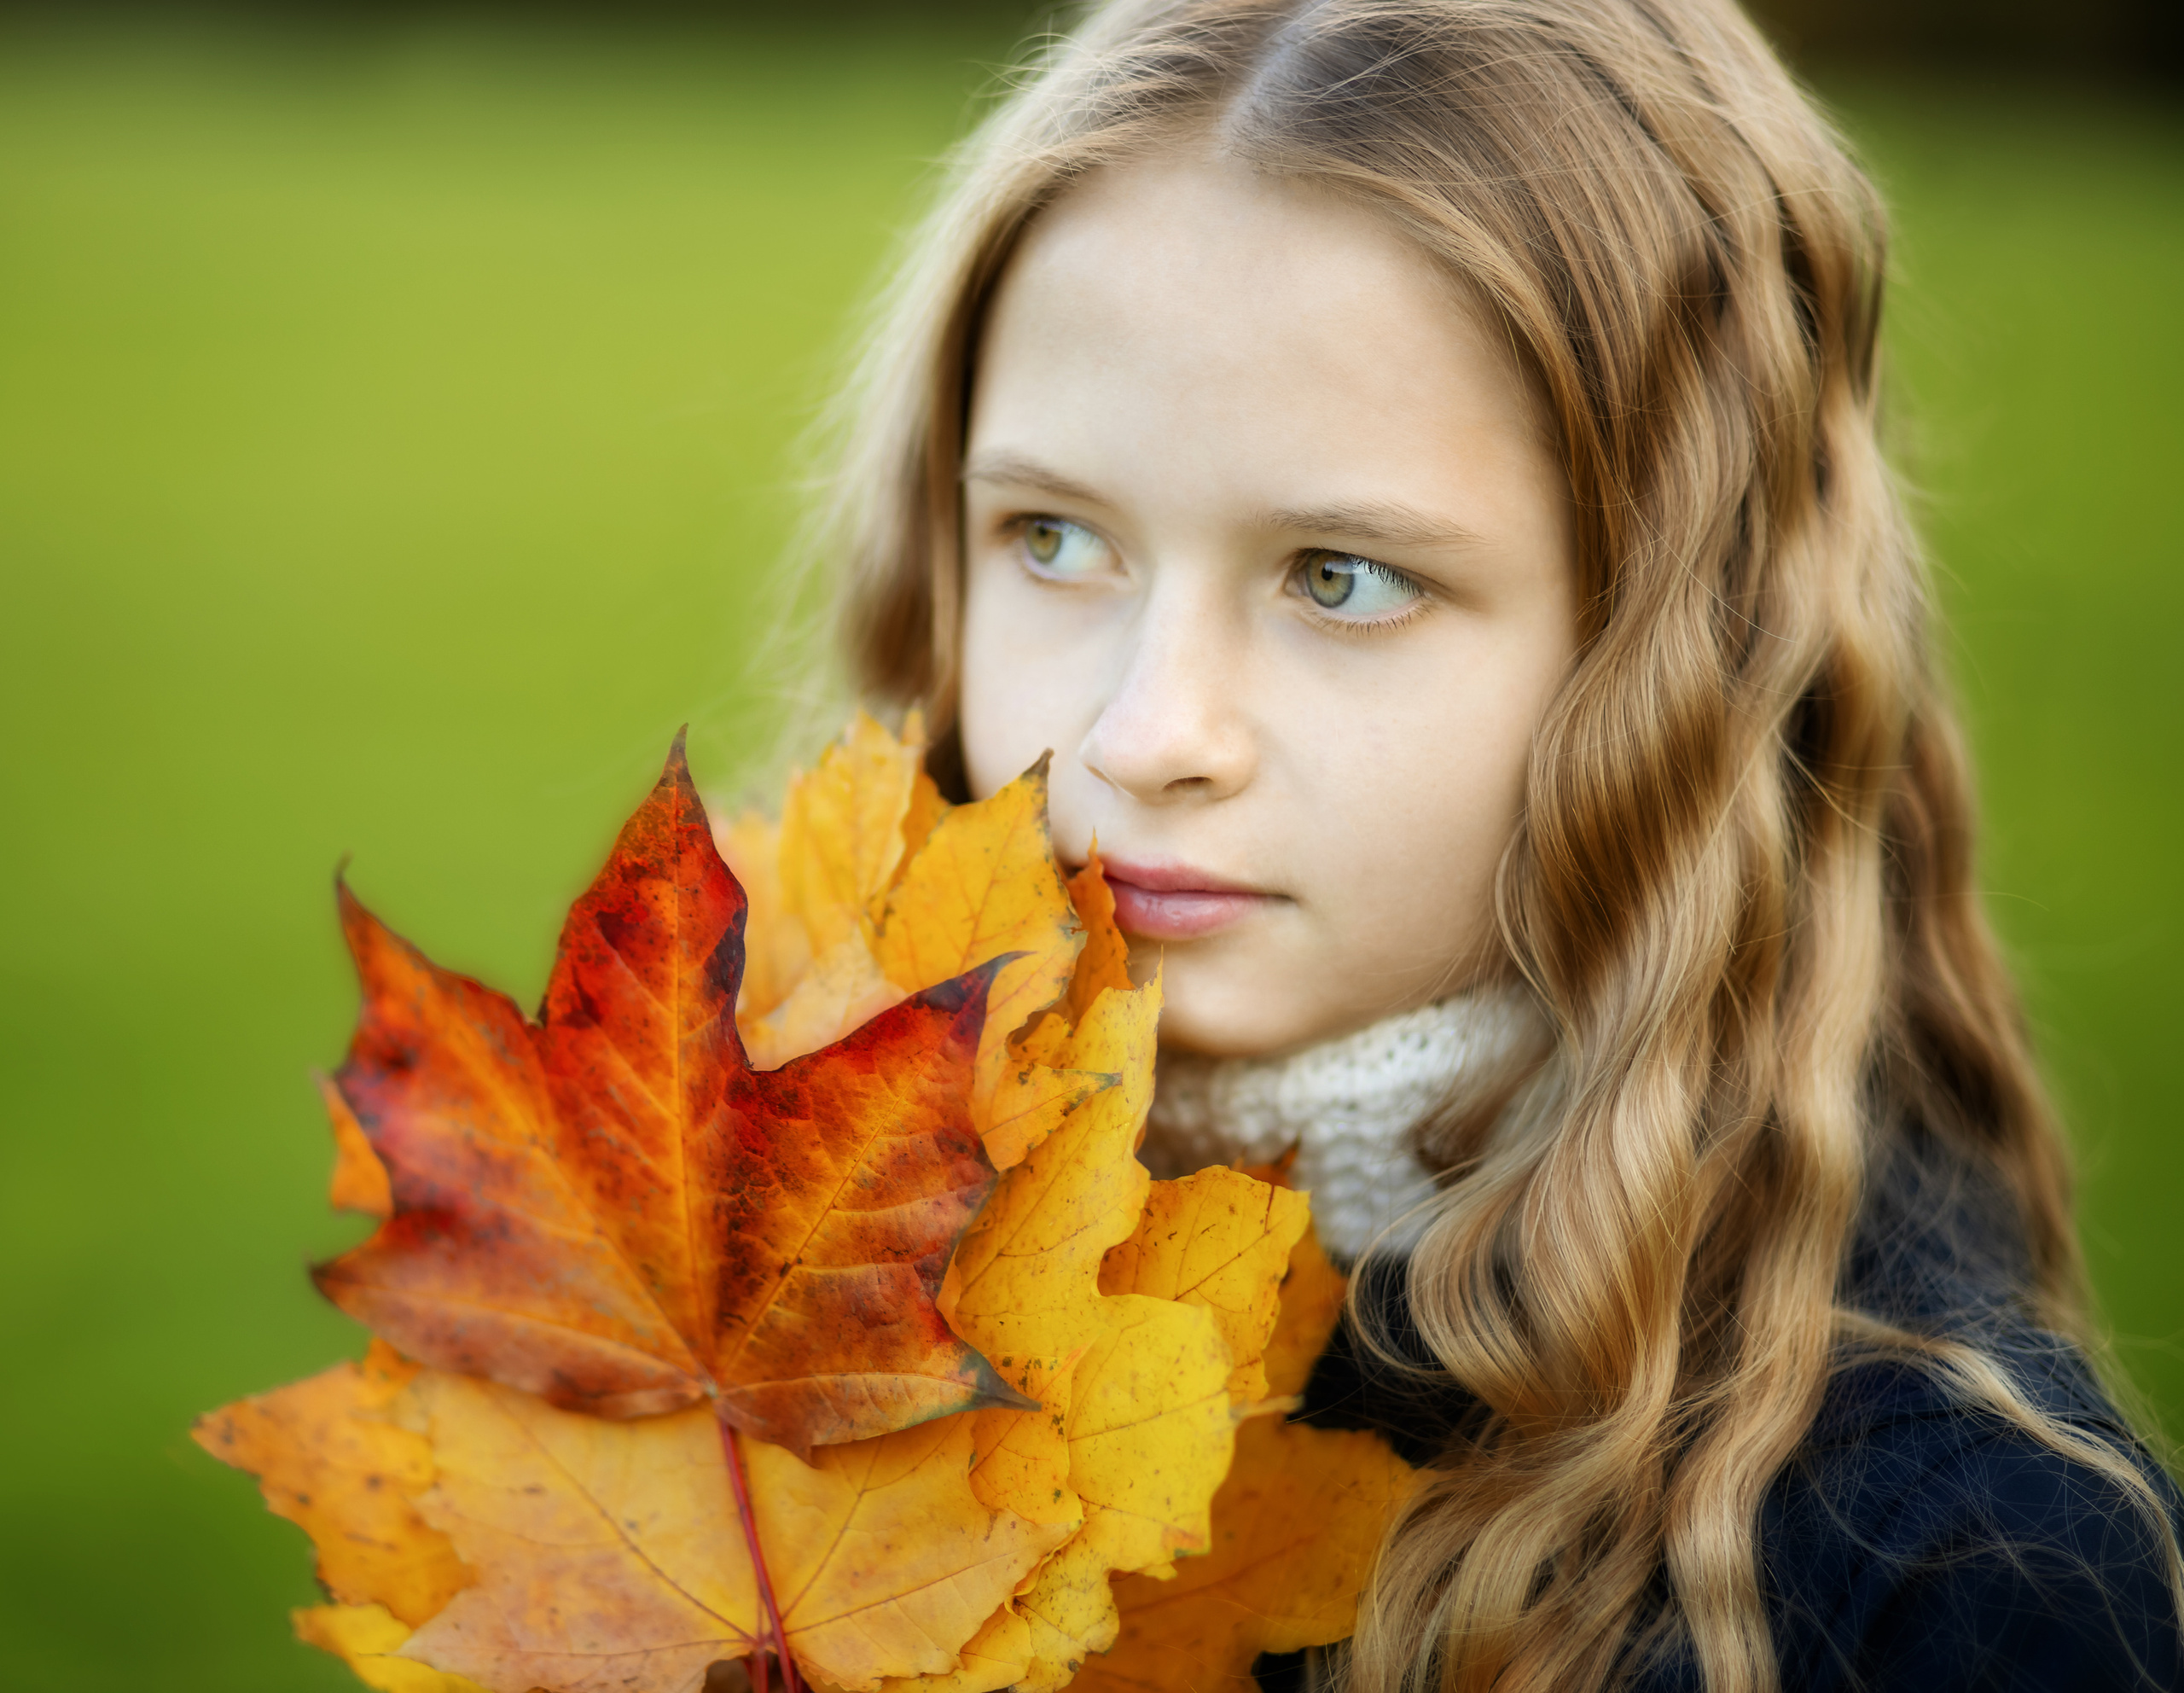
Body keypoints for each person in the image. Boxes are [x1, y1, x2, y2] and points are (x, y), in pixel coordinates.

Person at [799, 1, 2184, 1687]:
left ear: (1686, 648)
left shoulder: (1936, 1567)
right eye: (1054, 535)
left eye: (1342, 576)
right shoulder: (779, 1341)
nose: (1142, 733)